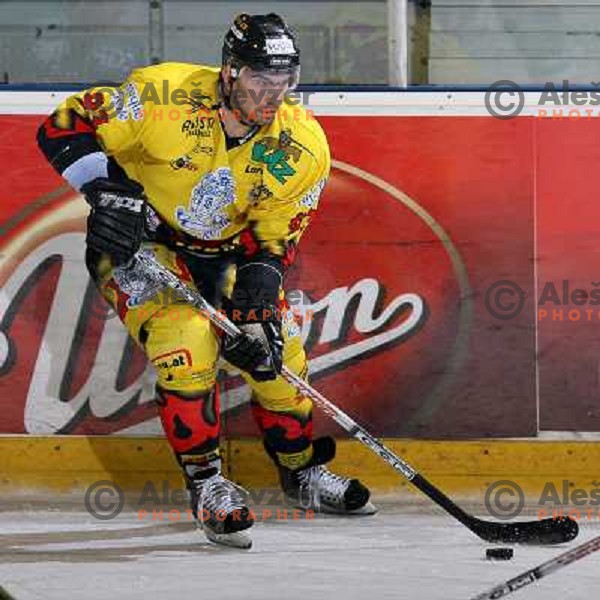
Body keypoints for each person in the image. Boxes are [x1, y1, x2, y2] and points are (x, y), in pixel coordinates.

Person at [37, 13, 375, 549]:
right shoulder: (163, 94)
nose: (272, 96)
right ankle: (208, 485)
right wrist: (104, 191)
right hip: (139, 247)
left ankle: (301, 473)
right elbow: (63, 124)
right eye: (260, 80)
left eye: (283, 83)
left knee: (278, 354)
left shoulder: (302, 143)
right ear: (229, 71)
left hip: (228, 257)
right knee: (186, 344)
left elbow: (274, 239)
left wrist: (259, 297)